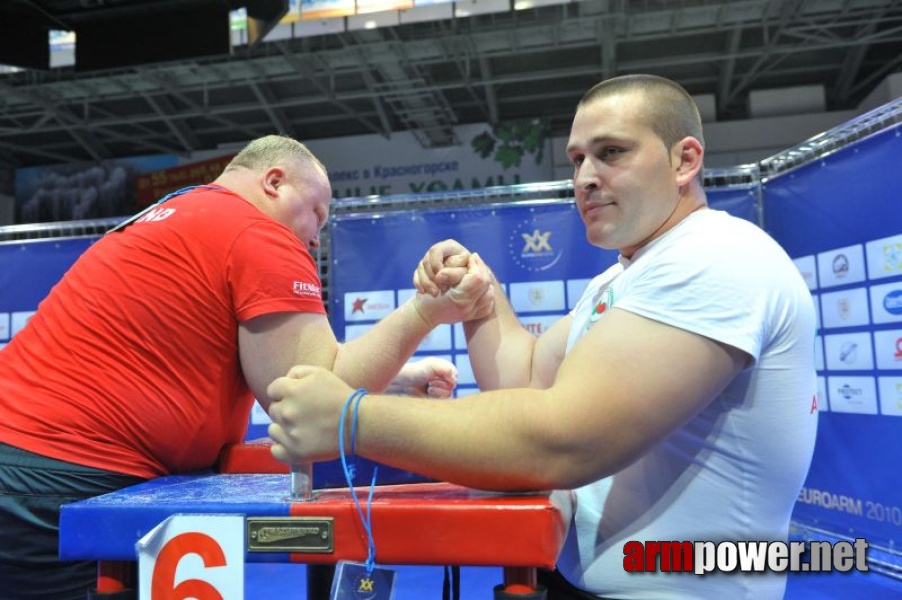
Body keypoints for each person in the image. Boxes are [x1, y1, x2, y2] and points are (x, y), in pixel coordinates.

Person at [266, 75, 818, 600]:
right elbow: (527, 377)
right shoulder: (627, 275)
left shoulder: (712, 258)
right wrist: (479, 297)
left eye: (612, 152)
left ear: (684, 160)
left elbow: (562, 439)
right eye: (577, 159)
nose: (584, 177)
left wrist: (351, 418)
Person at [0, 134, 492, 600]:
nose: (316, 240)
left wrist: (396, 375)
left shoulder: (179, 211)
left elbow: (272, 360)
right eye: (317, 215)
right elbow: (316, 392)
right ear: (274, 182)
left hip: (33, 472)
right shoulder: (258, 231)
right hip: (56, 486)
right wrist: (426, 312)